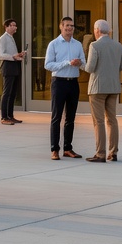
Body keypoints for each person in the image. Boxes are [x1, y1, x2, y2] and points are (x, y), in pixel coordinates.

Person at [43, 16, 85, 160]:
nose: (70, 28)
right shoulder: (53, 44)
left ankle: (68, 148)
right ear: (61, 27)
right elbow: (48, 65)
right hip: (59, 83)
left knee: (71, 118)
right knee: (56, 117)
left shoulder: (78, 44)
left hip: (73, 83)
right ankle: (54, 149)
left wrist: (79, 63)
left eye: (72, 26)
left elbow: (84, 63)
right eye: (67, 26)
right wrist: (67, 63)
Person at [83, 19, 122, 162]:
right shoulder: (118, 46)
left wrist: (81, 63)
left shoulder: (95, 45)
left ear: (97, 30)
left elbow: (89, 68)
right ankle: (113, 153)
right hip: (113, 87)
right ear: (109, 31)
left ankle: (100, 153)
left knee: (98, 121)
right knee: (112, 120)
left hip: (97, 88)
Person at [0, 18, 26, 124]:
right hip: (7, 67)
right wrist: (13, 56)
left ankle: (10, 115)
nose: (15, 27)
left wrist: (19, 55)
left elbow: (12, 54)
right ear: (7, 27)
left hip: (14, 66)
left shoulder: (12, 38)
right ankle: (4, 117)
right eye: (13, 25)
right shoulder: (3, 39)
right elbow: (1, 55)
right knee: (7, 93)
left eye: (15, 25)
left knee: (13, 93)